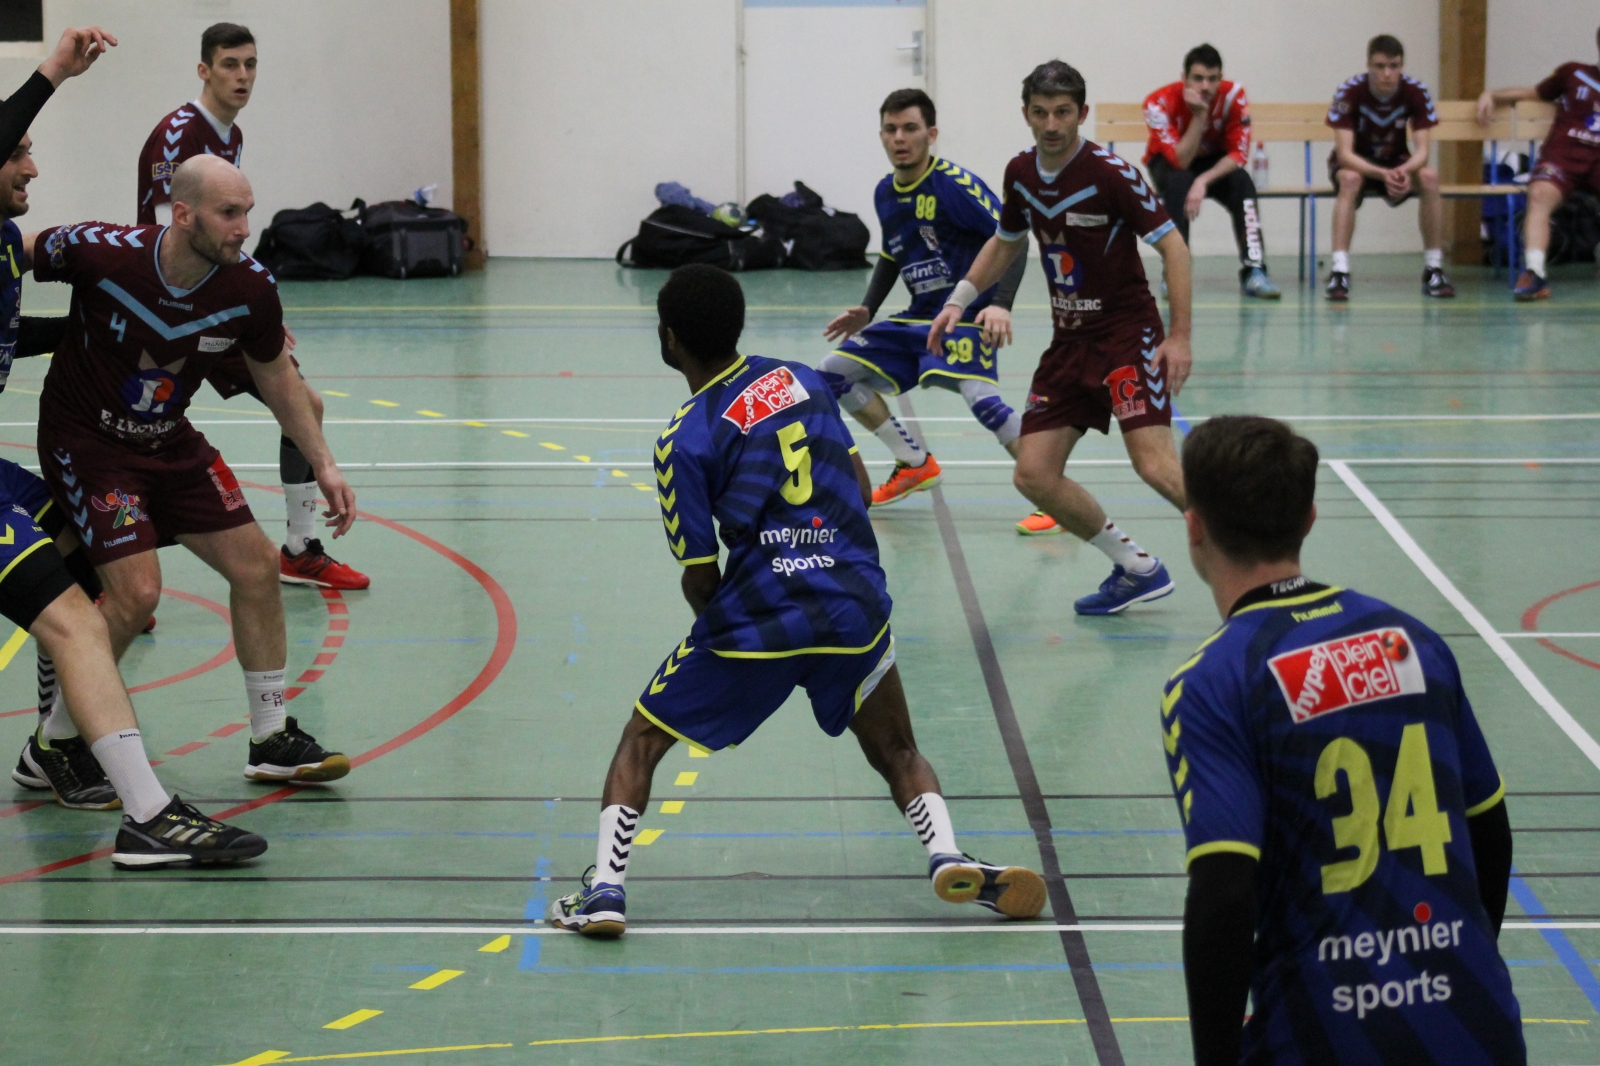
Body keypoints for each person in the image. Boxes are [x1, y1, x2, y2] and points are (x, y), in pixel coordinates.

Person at [548, 265, 1045, 937]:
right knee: (898, 748)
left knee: (643, 739)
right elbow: (860, 487)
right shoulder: (803, 380)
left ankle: (606, 892)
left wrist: (731, 641)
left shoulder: (682, 439)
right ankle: (947, 854)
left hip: (760, 613)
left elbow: (699, 574)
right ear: (738, 324)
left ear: (669, 339)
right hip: (851, 603)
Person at [1166, 415, 1524, 1065]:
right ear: (1309, 518)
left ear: (1194, 525)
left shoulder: (1215, 680)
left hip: (1323, 1035)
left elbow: (1224, 888)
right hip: (1475, 1024)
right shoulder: (1411, 641)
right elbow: (1491, 834)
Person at [0, 28, 266, 867]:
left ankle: (53, 748)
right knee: (80, 624)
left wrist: (103, 329)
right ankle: (147, 815)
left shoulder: (4, 248)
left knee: (85, 552)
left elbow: (21, 332)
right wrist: (52, 72)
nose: (33, 168)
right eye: (19, 155)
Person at [27, 154, 354, 788]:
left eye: (247, 212)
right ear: (183, 214)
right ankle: (55, 743)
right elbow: (17, 248)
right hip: (88, 446)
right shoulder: (102, 251)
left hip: (169, 443)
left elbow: (276, 377)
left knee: (256, 566)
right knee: (137, 594)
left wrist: (324, 464)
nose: (244, 228)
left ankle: (270, 738)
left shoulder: (249, 287)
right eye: (229, 213)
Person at [928, 61, 1190, 615]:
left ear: (1082, 113)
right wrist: (958, 300)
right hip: (1070, 342)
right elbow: (1006, 241)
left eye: (1063, 112)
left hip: (1127, 335)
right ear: (1026, 113)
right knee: (1034, 474)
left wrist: (1180, 337)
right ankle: (1137, 568)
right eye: (1041, 112)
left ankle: (1256, 562)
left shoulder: (1112, 174)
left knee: (1155, 466)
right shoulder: (1020, 173)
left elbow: (1174, 247)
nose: (1051, 124)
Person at [135, 22, 369, 591]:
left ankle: (299, 548)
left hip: (213, 303)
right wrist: (243, 308)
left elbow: (224, 239)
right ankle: (105, 573)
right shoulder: (179, 135)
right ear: (204, 70)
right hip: (166, 308)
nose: (242, 76)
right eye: (230, 64)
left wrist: (256, 309)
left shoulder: (229, 134)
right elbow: (168, 237)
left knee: (304, 405)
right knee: (133, 431)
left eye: (250, 64)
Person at [820, 89, 1046, 533]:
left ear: (931, 134)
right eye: (891, 129)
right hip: (918, 315)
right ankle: (913, 462)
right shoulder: (885, 191)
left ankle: (1050, 491)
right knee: (832, 372)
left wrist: (1000, 305)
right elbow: (892, 253)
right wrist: (868, 307)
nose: (899, 138)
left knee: (982, 401)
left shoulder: (953, 185)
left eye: (910, 128)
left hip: (967, 313)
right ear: (881, 135)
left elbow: (1014, 238)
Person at [1143, 43, 1280, 300]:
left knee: (1242, 182)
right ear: (1184, 79)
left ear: (1220, 78)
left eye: (1212, 78)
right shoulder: (1158, 102)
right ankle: (1175, 272)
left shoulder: (1234, 96)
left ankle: (1254, 270)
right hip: (1170, 161)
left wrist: (1203, 181)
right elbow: (1181, 160)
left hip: (1211, 162)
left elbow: (1238, 155)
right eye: (1198, 78)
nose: (1205, 86)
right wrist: (1199, 116)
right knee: (1178, 182)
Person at [1325, 35, 1454, 301]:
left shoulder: (1416, 91)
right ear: (1368, 65)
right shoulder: (1348, 91)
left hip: (1396, 162)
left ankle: (1434, 268)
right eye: (1380, 66)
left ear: (1401, 66)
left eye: (1394, 66)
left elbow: (1423, 152)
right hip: (1358, 163)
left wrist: (1403, 171)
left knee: (1429, 177)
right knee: (1349, 179)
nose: (1387, 73)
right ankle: (1340, 270)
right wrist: (1384, 175)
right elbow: (1345, 154)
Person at [1477, 25, 1600, 301]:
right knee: (1540, 194)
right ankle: (1534, 272)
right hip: (1563, 159)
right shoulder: (1574, 73)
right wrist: (1492, 94)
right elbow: (1532, 92)